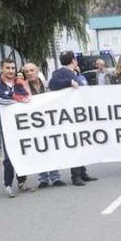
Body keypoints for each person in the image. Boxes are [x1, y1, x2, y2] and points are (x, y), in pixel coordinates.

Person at [49, 51, 97, 186]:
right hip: (71, 115)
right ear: (73, 60)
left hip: (81, 114)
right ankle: (75, 176)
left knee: (82, 144)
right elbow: (53, 84)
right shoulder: (61, 73)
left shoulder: (75, 73)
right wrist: (69, 82)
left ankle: (83, 172)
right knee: (75, 145)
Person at [0, 58, 36, 196]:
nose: (11, 70)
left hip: (20, 124)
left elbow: (26, 96)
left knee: (21, 152)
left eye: (13, 68)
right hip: (6, 124)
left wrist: (17, 96)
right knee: (8, 156)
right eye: (8, 68)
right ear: (2, 69)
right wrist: (18, 99)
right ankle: (7, 184)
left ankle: (22, 181)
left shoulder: (18, 82)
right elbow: (0, 99)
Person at [23, 62, 64, 187]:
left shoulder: (47, 84)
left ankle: (55, 177)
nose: (30, 73)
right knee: (38, 150)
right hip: (33, 123)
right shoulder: (23, 87)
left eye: (32, 70)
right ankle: (43, 179)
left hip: (49, 122)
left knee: (51, 148)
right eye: (27, 72)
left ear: (37, 70)